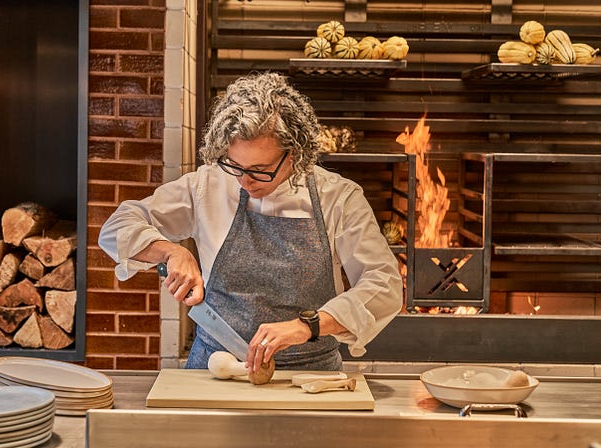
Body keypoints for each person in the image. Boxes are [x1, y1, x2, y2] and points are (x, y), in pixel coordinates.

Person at [98, 72, 403, 373]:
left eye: (260, 169)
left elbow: (384, 285)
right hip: (216, 370)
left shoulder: (338, 197)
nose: (245, 180)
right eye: (235, 165)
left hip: (309, 377)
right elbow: (118, 226)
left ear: (295, 154)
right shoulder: (209, 186)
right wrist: (169, 252)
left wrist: (308, 325)